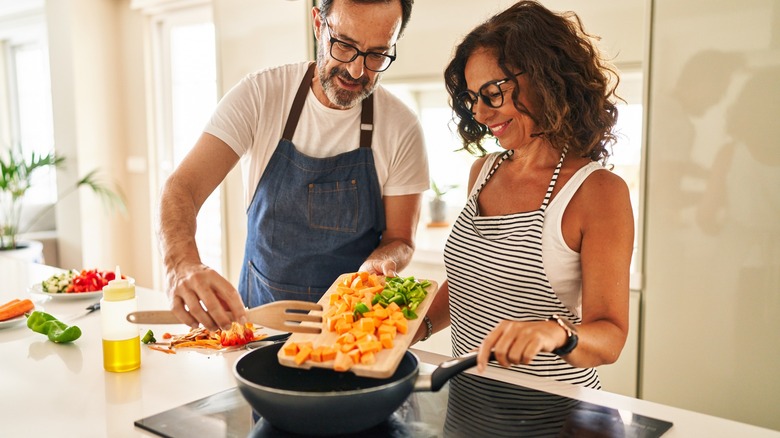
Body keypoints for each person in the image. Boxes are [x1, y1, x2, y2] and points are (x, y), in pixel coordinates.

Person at [157, 0, 429, 332]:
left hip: (349, 332)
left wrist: (379, 263)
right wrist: (181, 265)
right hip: (258, 326)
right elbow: (181, 189)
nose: (357, 71)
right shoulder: (260, 95)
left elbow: (401, 238)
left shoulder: (402, 127)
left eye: (377, 54)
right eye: (344, 45)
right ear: (318, 24)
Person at [416, 1, 634, 389]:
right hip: (469, 396)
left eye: (493, 93)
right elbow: (474, 282)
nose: (481, 114)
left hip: (556, 411)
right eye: (472, 98)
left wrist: (555, 333)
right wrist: (415, 325)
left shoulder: (597, 191)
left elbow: (611, 336)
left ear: (545, 78)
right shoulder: (484, 171)